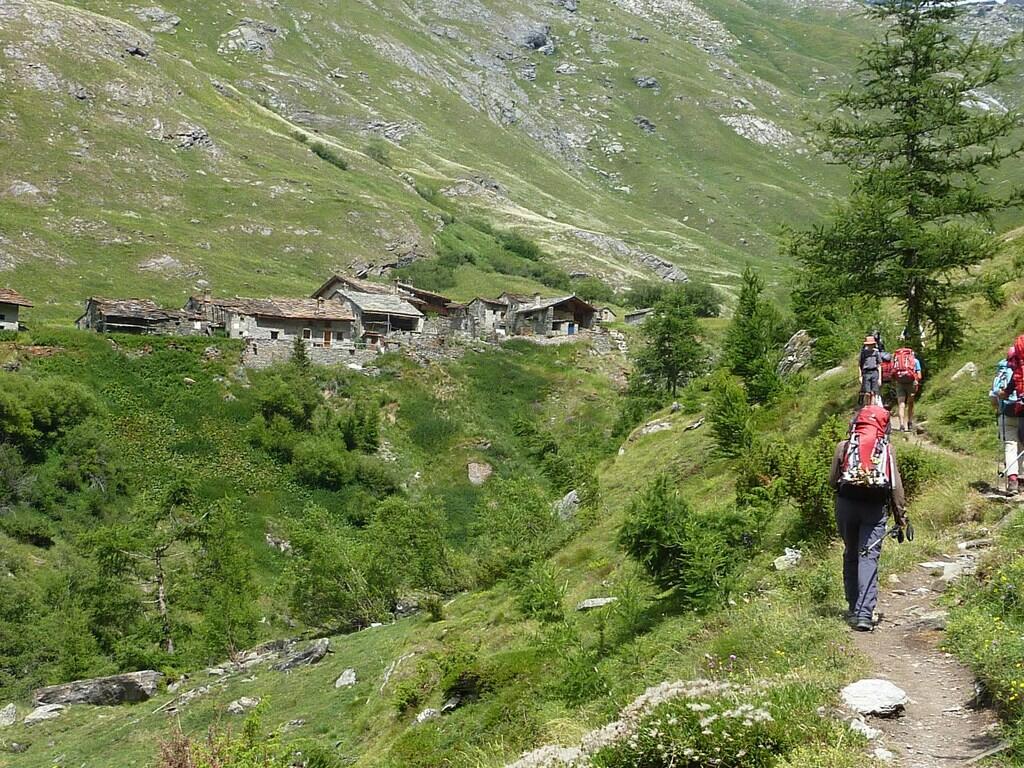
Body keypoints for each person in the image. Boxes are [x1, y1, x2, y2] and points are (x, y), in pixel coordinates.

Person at [829, 405, 907, 631]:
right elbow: (895, 487)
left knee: (851, 553)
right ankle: (864, 614)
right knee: (868, 557)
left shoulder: (844, 447)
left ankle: (853, 606)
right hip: (874, 509)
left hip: (846, 505)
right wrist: (901, 518)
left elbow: (832, 480)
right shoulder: (887, 450)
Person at [993, 353, 1021, 494]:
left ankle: (1013, 480)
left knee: (1010, 446)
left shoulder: (1002, 371)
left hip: (1007, 413)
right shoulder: (1020, 371)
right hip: (1022, 412)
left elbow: (994, 397)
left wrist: (998, 408)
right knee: (1021, 447)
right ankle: (1020, 478)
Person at [890, 346, 922, 432]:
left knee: (901, 404)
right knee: (910, 404)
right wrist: (916, 380)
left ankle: (901, 425)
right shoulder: (915, 361)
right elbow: (919, 376)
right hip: (911, 383)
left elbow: (892, 374)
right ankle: (910, 423)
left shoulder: (897, 361)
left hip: (900, 383)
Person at [858, 336, 890, 406]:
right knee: (867, 393)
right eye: (869, 344)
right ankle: (866, 406)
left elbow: (879, 365)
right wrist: (860, 376)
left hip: (874, 373)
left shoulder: (876, 353)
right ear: (866, 345)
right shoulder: (863, 353)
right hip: (866, 373)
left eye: (872, 344)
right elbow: (860, 365)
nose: (870, 346)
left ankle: (872, 407)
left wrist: (880, 378)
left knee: (873, 392)